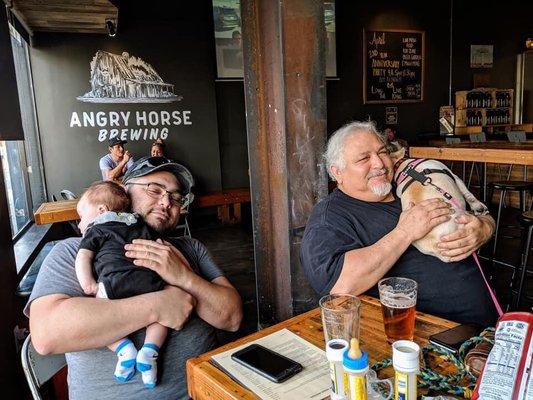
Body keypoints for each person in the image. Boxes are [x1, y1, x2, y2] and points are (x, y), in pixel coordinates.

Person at [26, 156, 243, 399]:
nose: (166, 202)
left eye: (176, 197)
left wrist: (185, 277)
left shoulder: (190, 248)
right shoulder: (76, 251)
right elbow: (46, 334)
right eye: (154, 189)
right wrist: (159, 306)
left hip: (205, 391)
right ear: (125, 192)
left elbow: (232, 318)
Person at [300, 121, 498, 326]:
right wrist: (405, 232)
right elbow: (341, 285)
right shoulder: (330, 217)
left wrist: (485, 227)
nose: (379, 164)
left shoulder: (408, 183)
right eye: (364, 158)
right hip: (428, 335)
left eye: (382, 152)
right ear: (337, 172)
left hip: (488, 325)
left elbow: (478, 212)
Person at [75, 181, 167, 388]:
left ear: (102, 210)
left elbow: (83, 257)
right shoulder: (139, 224)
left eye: (81, 217)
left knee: (99, 319)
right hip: (147, 279)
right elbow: (160, 246)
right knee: (162, 315)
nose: (80, 224)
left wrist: (88, 284)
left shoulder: (96, 228)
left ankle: (124, 349)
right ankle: (150, 350)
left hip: (113, 282)